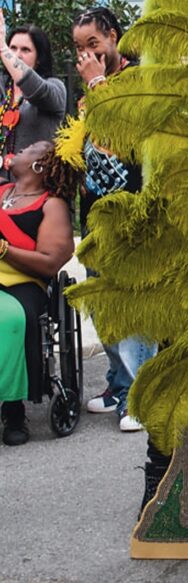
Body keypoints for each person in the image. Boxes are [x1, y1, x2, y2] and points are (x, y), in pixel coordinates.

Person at [72, 6, 155, 432]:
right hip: (94, 214)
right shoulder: (89, 90)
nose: (87, 54)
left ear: (113, 38)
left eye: (94, 44)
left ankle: (142, 394)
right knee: (104, 304)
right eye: (80, 47)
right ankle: (118, 384)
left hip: (132, 213)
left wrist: (97, 84)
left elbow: (126, 133)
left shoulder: (137, 80)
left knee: (133, 307)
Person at [0, 140, 78, 444]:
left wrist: (4, 250)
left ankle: (13, 408)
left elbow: (49, 263)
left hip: (24, 282)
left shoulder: (51, 204)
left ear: (38, 165)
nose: (19, 149)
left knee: (8, 320)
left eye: (29, 148)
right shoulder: (2, 192)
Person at [0, 13, 67, 176]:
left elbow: (36, 90)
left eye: (26, 50)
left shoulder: (55, 87)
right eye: (12, 48)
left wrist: (3, 49)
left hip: (37, 189)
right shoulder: (3, 85)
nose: (16, 55)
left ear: (39, 58)